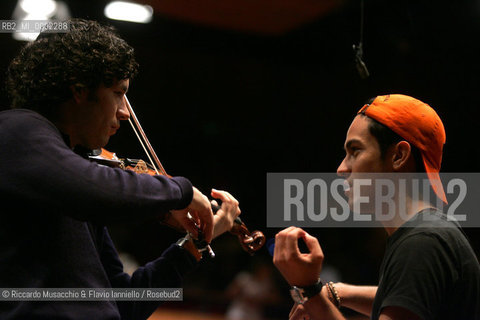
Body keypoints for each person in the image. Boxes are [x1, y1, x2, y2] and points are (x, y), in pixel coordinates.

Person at [0, 19, 241, 319]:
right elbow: (96, 187)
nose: (125, 112)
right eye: (118, 93)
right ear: (78, 89)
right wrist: (181, 191)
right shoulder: (15, 131)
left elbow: (124, 304)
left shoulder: (75, 181)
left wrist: (194, 245)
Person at [273, 94, 480, 320]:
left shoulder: (423, 244)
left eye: (355, 151)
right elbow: (405, 295)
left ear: (399, 156)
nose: (342, 169)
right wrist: (337, 292)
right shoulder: (428, 234)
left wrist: (310, 291)